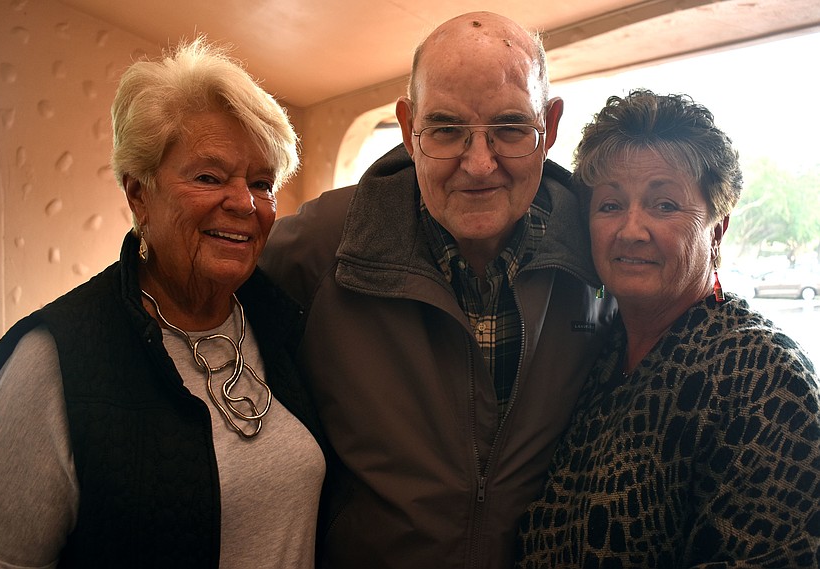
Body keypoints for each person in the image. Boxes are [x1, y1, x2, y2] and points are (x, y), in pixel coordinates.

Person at [257, 11, 616, 568]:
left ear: (549, 127)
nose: (479, 165)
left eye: (511, 129)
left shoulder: (597, 249)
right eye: (447, 130)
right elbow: (188, 289)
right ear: (408, 127)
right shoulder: (326, 244)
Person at [0, 38, 326, 569]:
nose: (244, 204)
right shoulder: (56, 360)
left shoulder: (283, 324)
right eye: (208, 176)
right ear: (139, 193)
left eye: (261, 183)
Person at [517, 89, 820, 567]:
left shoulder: (764, 377)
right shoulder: (594, 350)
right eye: (611, 205)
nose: (631, 230)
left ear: (717, 229)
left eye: (664, 205)